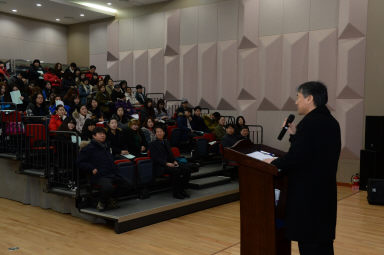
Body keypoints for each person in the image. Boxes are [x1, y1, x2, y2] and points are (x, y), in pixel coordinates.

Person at [264, 81, 341, 255]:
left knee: (310, 246)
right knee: (323, 246)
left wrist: (272, 164)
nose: (296, 102)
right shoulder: (331, 122)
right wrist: (295, 135)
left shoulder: (310, 124)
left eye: (298, 97)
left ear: (310, 98)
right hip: (324, 196)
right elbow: (312, 154)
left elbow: (296, 158)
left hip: (308, 199)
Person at [77, 127, 131, 211]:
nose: (103, 135)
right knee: (108, 187)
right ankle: (102, 202)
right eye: (100, 134)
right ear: (94, 136)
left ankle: (111, 199)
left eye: (104, 134)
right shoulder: (88, 148)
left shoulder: (105, 146)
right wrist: (92, 168)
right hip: (99, 175)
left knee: (128, 184)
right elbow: (79, 162)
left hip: (111, 173)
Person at [149, 126, 191, 199]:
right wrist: (166, 163)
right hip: (160, 166)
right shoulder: (152, 144)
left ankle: (182, 189)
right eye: (157, 132)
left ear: (164, 133)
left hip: (170, 163)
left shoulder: (166, 141)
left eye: (160, 131)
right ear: (155, 134)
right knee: (176, 171)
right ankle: (176, 192)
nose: (159, 133)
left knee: (187, 169)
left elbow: (170, 154)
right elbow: (155, 158)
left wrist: (174, 161)